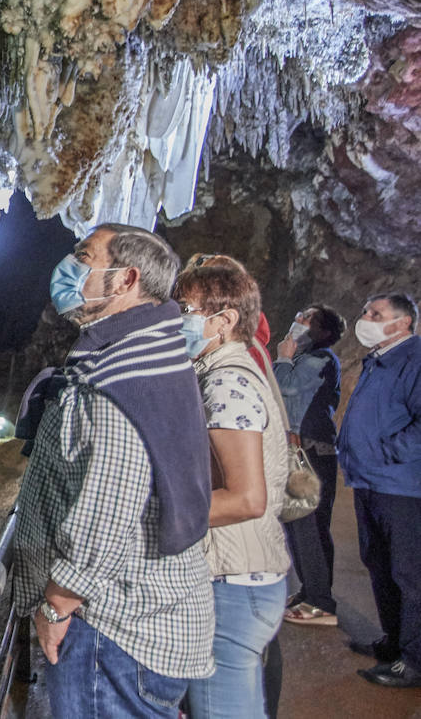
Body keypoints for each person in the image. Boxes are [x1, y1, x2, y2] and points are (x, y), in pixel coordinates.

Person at [15, 223, 213, 718]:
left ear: (124, 280)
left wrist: (56, 605)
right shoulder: (159, 351)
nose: (70, 268)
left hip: (114, 630)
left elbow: (107, 511)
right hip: (149, 615)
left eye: (84, 256)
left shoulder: (123, 376)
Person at [174, 263, 290, 719]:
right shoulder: (221, 370)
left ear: (223, 322)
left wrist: (157, 515)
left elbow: (246, 498)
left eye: (184, 309)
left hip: (233, 582)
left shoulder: (226, 382)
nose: (174, 319)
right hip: (239, 574)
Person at [336, 292, 421, 688]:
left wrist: (387, 452)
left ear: (403, 323)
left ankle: (415, 659)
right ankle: (394, 642)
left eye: (375, 313)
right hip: (371, 481)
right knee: (379, 564)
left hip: (401, 487)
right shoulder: (379, 359)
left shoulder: (413, 359)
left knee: (409, 574)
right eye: (365, 310)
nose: (365, 317)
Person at [274, 305, 344, 626]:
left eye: (307, 319)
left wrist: (284, 358)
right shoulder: (306, 358)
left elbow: (284, 391)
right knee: (300, 526)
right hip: (303, 452)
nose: (298, 320)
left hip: (312, 453)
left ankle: (320, 602)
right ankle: (311, 590)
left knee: (308, 528)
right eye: (299, 314)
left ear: (324, 333)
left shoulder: (321, 360)